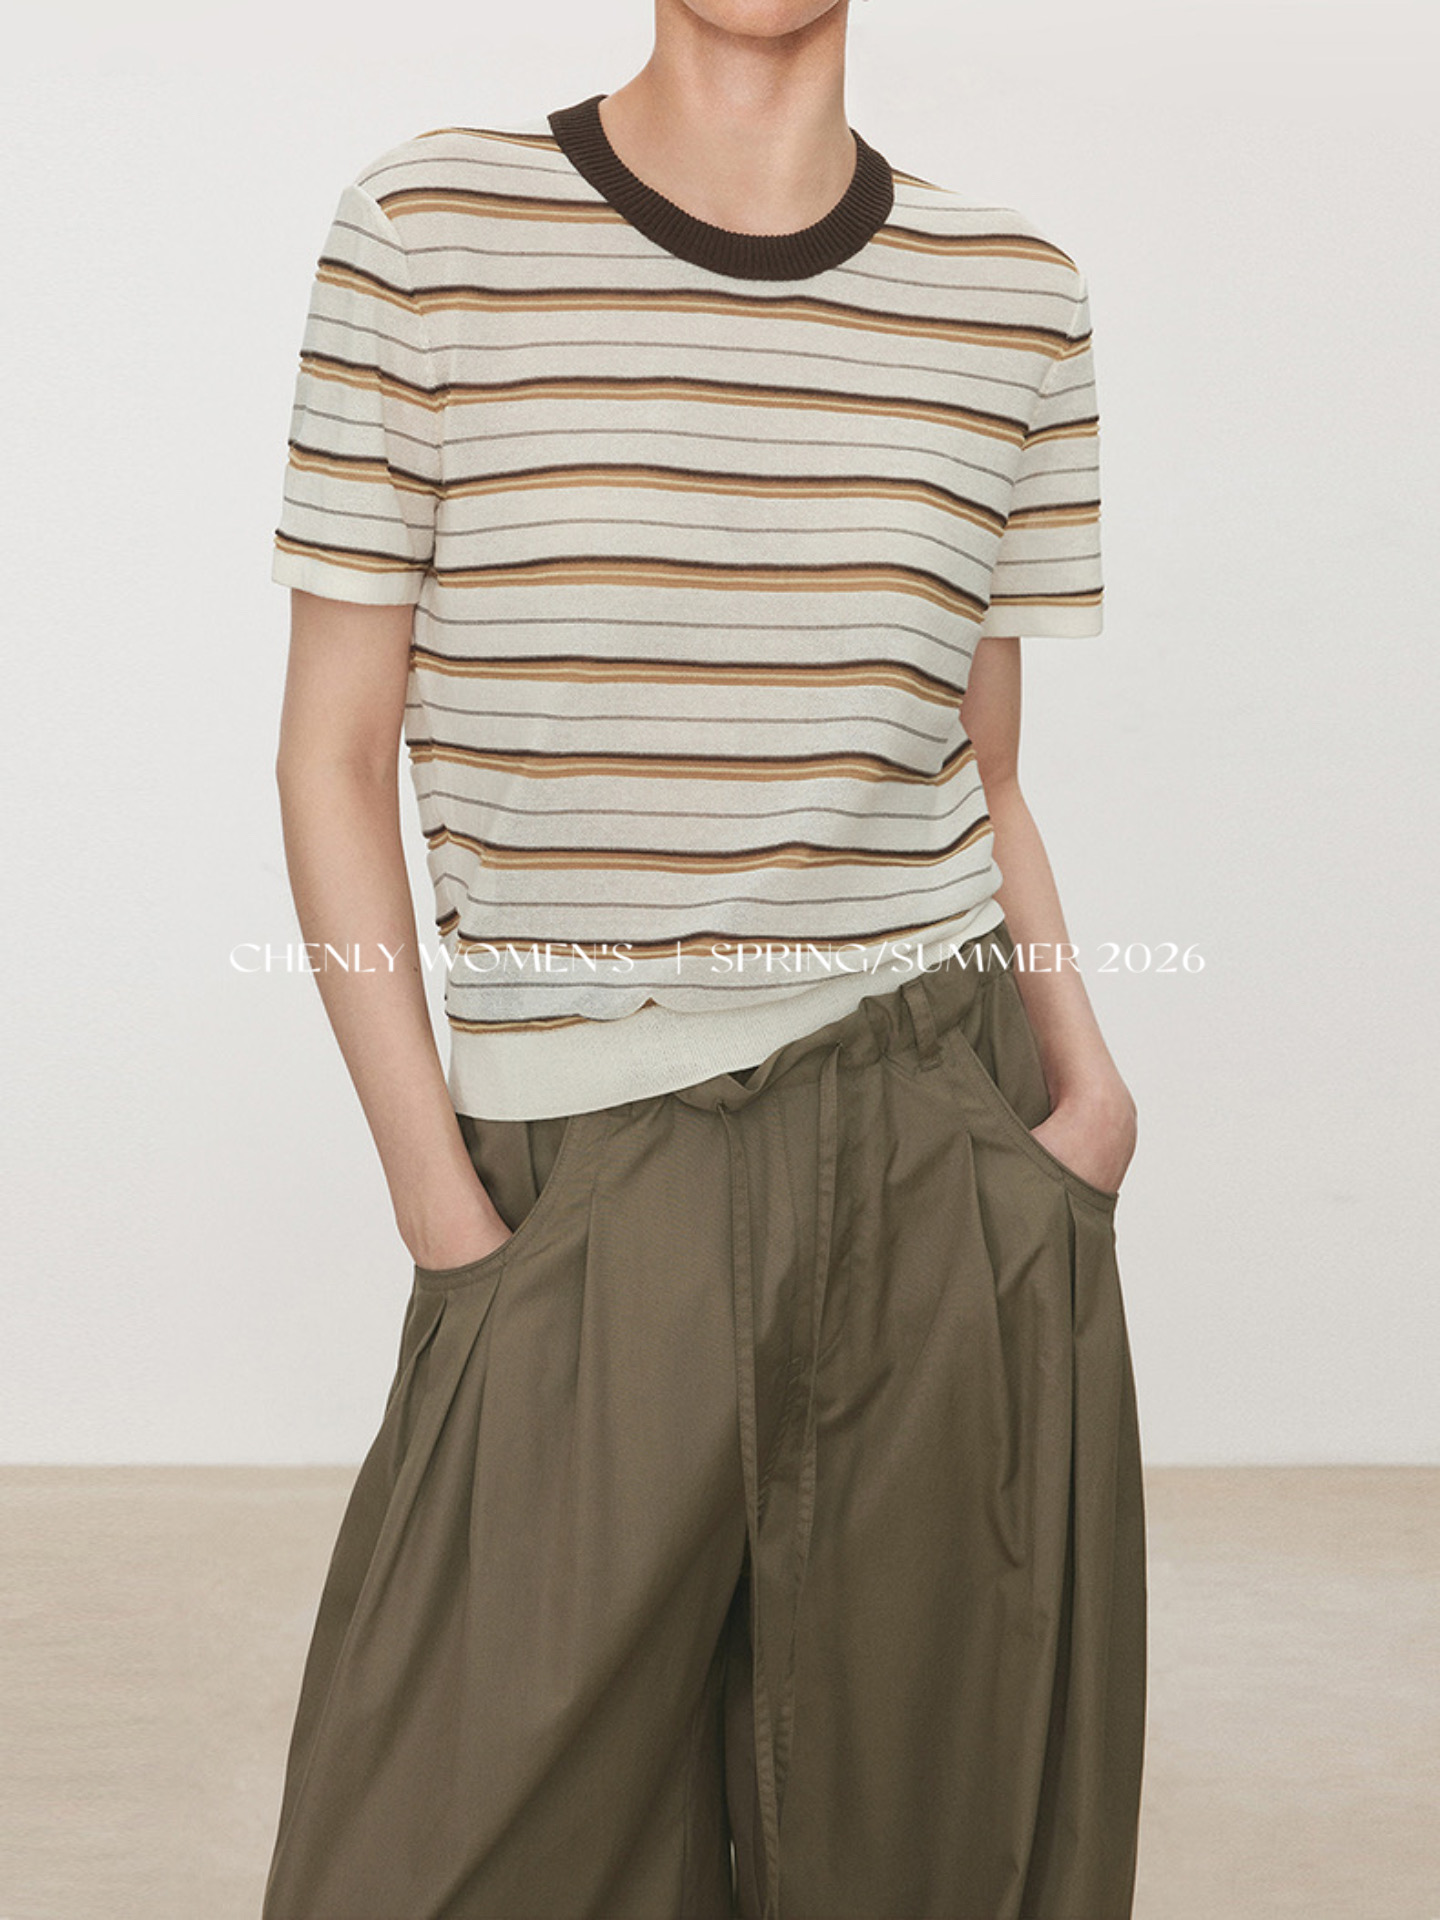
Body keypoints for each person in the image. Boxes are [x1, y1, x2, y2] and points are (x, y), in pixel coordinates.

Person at [260, 3, 1147, 1916]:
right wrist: (441, 1208)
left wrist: (1085, 1103)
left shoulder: (1013, 294)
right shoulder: (432, 232)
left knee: (922, 1855)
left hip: (940, 1136)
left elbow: (986, 764)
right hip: (586, 1170)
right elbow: (331, 752)